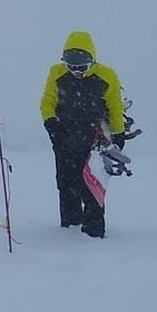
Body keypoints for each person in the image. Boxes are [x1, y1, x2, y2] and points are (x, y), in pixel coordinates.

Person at [40, 31, 133, 238]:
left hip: (95, 142)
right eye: (71, 67)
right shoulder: (56, 74)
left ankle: (92, 234)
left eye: (81, 68)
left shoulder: (106, 76)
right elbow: (47, 102)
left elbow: (115, 108)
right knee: (66, 184)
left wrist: (118, 136)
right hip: (64, 138)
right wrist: (51, 125)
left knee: (92, 187)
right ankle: (70, 229)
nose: (76, 72)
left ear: (92, 61)